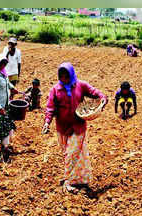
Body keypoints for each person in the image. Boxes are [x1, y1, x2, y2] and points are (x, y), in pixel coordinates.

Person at [42, 63, 108, 193]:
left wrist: (103, 98)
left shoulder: (80, 85)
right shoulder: (55, 90)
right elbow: (50, 108)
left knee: (72, 154)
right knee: (68, 154)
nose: (64, 79)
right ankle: (79, 179)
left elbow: (94, 92)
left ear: (71, 75)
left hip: (78, 127)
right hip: (62, 127)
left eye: (67, 76)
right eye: (62, 77)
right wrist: (47, 122)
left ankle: (68, 181)